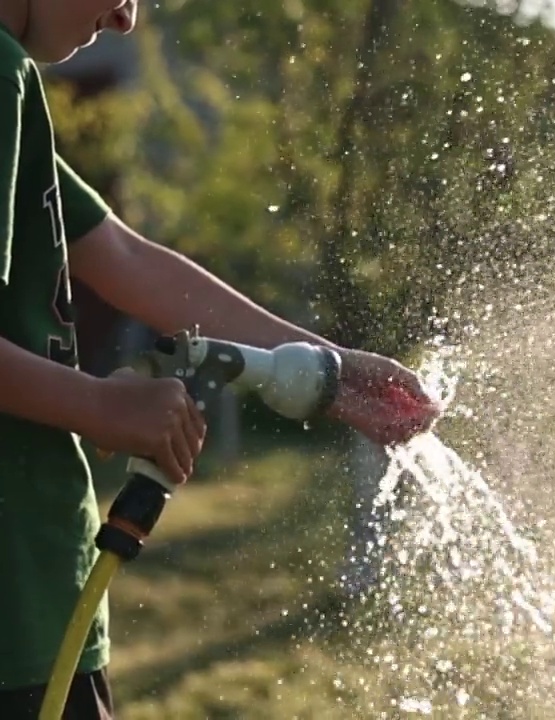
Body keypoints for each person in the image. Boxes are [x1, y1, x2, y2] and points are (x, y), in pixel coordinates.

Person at [0, 1, 443, 717]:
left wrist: (331, 370)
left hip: (35, 598)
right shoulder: (1, 72)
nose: (126, 19)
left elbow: (119, 254)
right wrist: (96, 403)